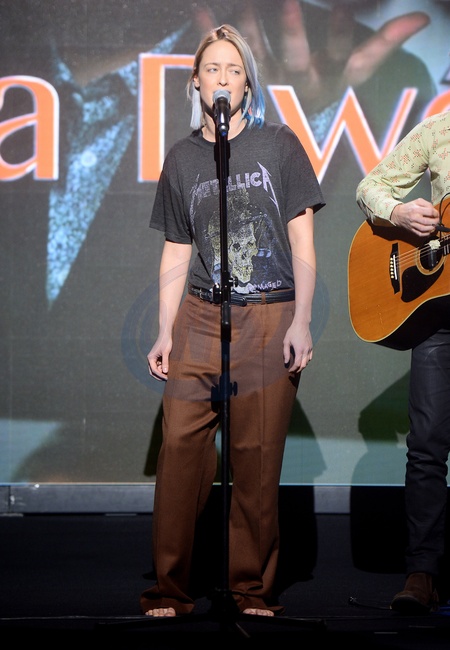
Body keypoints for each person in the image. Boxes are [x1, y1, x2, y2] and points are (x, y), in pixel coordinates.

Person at [141, 23, 325, 618]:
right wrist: (165, 329)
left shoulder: (279, 145)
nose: (223, 79)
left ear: (247, 85)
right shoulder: (181, 158)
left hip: (269, 314)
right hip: (200, 313)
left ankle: (250, 589)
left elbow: (303, 239)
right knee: (180, 449)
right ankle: (170, 589)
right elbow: (176, 249)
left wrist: (301, 320)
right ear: (196, 82)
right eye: (213, 69)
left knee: (255, 459)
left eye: (234, 70)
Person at [356, 110, 450, 614]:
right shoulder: (439, 129)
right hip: (440, 314)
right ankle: (422, 573)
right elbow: (369, 187)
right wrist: (400, 213)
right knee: (427, 443)